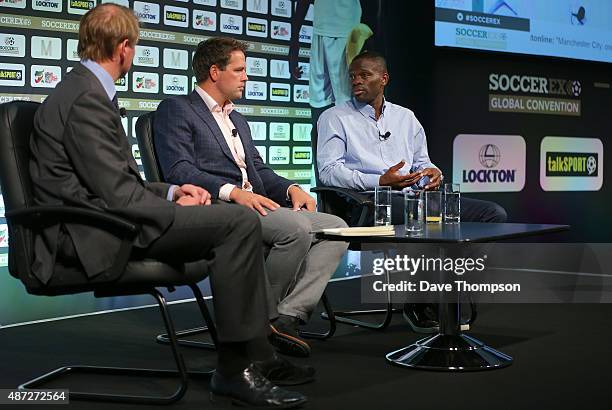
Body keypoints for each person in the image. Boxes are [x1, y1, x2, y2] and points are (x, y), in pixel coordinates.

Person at [29, 4, 310, 408]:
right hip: (92, 233)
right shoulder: (86, 98)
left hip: (106, 216)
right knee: (236, 223)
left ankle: (257, 356)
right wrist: (183, 211)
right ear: (124, 47)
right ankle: (236, 369)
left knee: (233, 221)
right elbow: (116, 195)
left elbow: (112, 181)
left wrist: (171, 193)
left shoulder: (84, 90)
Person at [154, 37, 349, 358]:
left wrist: (291, 188)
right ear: (214, 72)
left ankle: (288, 316)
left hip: (257, 206)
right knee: (295, 229)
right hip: (217, 209)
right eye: (240, 69)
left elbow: (258, 169)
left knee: (336, 227)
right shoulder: (177, 109)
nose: (247, 77)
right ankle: (260, 319)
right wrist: (234, 194)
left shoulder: (238, 119)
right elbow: (179, 170)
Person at [316, 50, 507, 330]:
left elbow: (422, 162)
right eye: (352, 76)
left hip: (413, 199)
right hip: (366, 207)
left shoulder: (406, 118)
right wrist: (381, 181)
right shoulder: (334, 117)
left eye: (364, 75)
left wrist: (433, 173)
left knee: (493, 215)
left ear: (384, 79)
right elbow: (328, 172)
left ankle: (443, 285)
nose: (356, 81)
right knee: (421, 216)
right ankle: (420, 300)